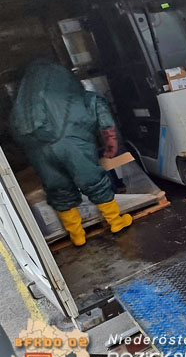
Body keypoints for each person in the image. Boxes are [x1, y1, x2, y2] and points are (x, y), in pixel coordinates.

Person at [10, 58, 132, 246]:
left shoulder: (24, 100)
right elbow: (98, 107)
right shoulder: (70, 91)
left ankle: (77, 235)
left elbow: (13, 131)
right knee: (92, 180)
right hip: (72, 142)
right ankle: (116, 222)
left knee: (58, 188)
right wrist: (110, 143)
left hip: (38, 149)